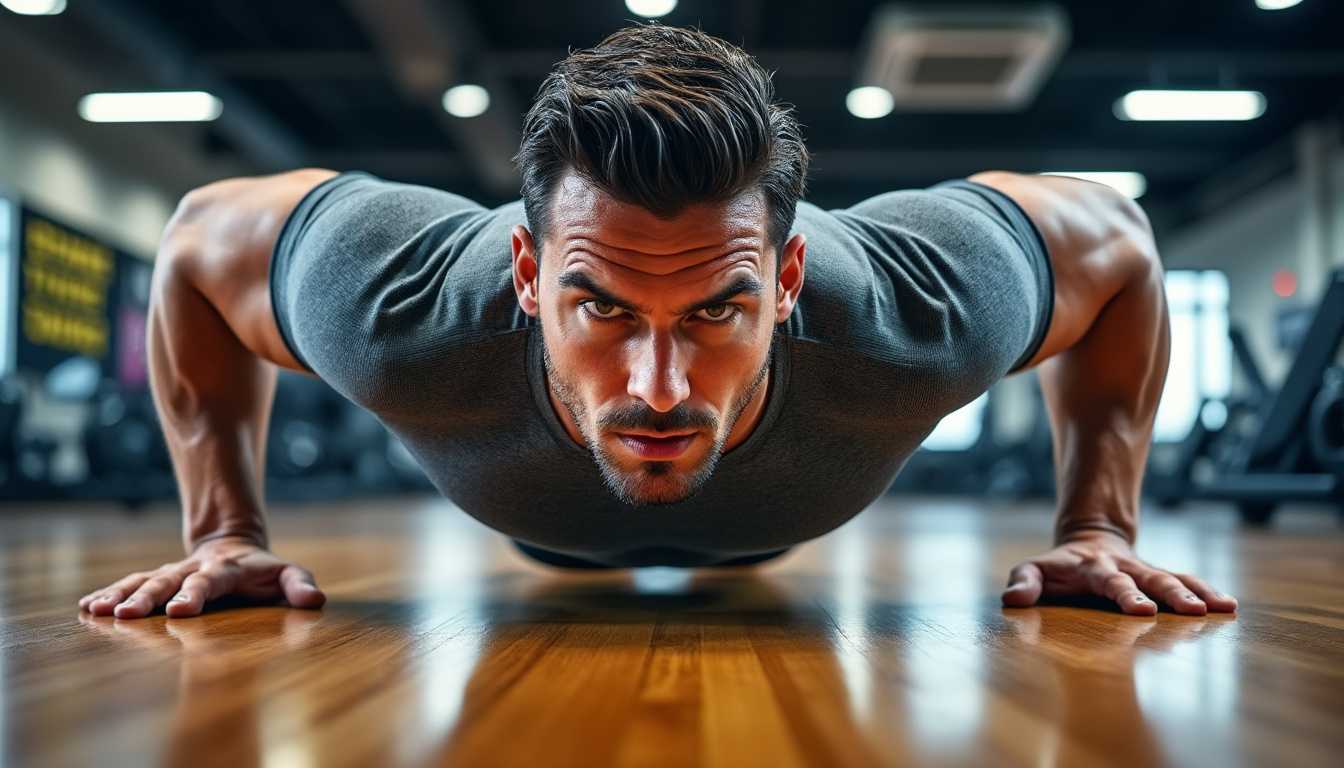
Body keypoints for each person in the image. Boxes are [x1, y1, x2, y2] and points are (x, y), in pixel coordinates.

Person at [80, 25, 1237, 620]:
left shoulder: (912, 311)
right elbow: (196, 233)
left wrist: (1102, 529)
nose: (662, 385)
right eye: (603, 305)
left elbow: (1121, 238)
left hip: (771, 507)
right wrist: (222, 533)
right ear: (528, 273)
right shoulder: (402, 307)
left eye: (720, 308)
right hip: (545, 506)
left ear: (786, 279)